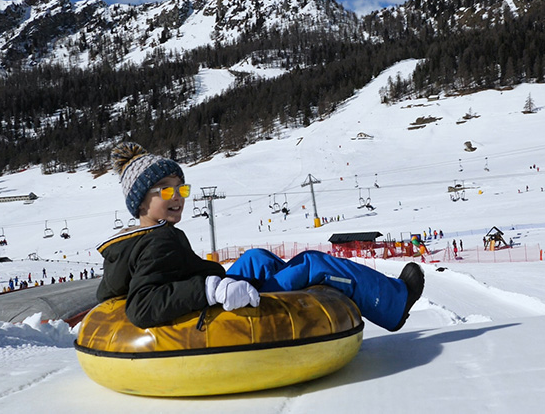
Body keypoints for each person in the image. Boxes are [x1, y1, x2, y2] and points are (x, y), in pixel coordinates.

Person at [96, 142, 424, 331]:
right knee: (313, 263)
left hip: (209, 301)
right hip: (210, 315)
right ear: (140, 201)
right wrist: (211, 288)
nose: (178, 196)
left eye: (181, 187)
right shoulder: (158, 241)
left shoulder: (143, 238)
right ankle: (394, 303)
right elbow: (142, 305)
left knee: (256, 258)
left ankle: (292, 301)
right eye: (166, 189)